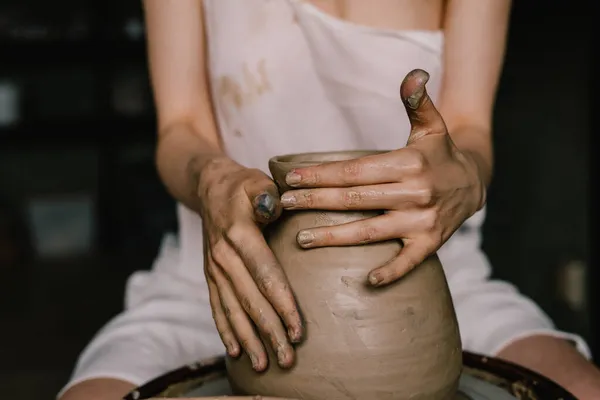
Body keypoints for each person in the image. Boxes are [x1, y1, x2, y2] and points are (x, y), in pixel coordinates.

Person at [59, 1, 600, 399]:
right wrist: (211, 178)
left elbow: (468, 129)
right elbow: (181, 126)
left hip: (432, 275)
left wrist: (468, 175)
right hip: (221, 281)